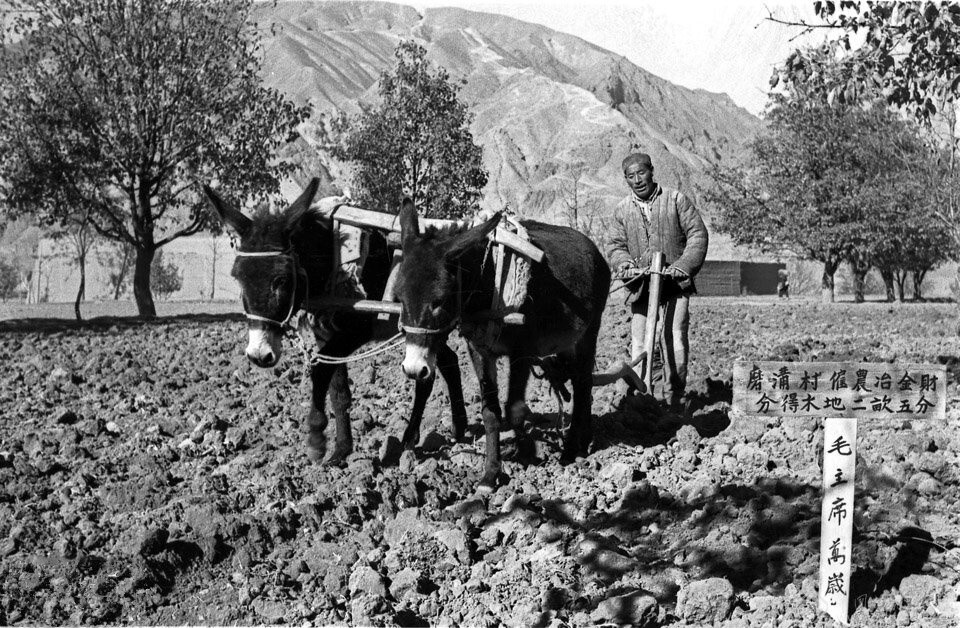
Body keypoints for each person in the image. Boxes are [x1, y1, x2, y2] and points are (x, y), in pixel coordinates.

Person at [608, 152, 708, 411]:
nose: (638, 180)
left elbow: (697, 235)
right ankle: (645, 394)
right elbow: (616, 246)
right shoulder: (622, 210)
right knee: (640, 342)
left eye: (642, 173)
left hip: (675, 285)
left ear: (652, 171)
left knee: (674, 336)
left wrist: (682, 266)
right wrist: (625, 265)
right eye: (631, 176)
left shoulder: (676, 200)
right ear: (626, 180)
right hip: (640, 286)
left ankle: (675, 393)